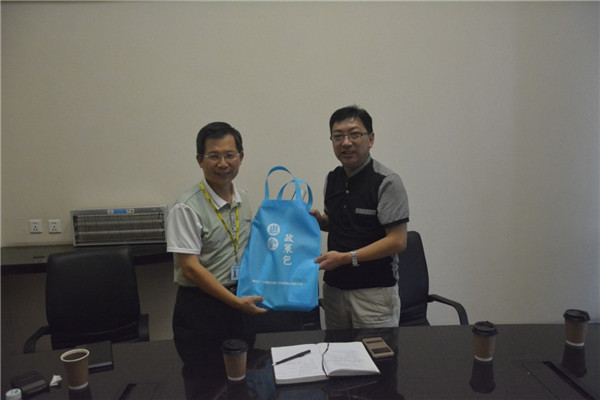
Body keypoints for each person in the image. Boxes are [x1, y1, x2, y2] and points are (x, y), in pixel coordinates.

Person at [166, 122, 267, 368]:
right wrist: (235, 303)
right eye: (214, 156)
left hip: (240, 301)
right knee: (204, 378)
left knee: (244, 373)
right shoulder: (186, 207)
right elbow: (190, 268)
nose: (223, 163)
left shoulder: (244, 199)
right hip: (202, 308)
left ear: (241, 157)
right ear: (200, 160)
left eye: (230, 155)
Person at [310, 105, 409, 329]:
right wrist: (319, 221)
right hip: (334, 291)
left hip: (374, 296)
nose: (346, 142)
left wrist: (346, 258)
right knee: (336, 351)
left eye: (354, 134)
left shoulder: (387, 181)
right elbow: (339, 222)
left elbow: (397, 241)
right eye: (338, 136)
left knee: (377, 352)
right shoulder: (333, 178)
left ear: (371, 139)